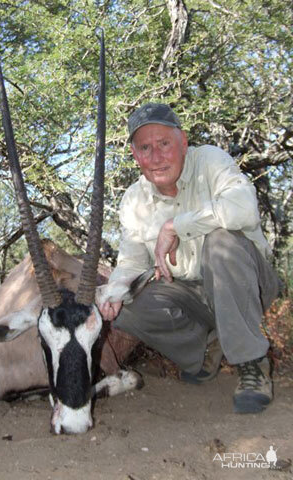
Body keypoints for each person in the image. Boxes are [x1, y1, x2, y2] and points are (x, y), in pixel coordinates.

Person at [97, 103, 280, 414]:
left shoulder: (209, 160)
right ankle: (207, 349)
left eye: (164, 144)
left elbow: (243, 207)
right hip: (192, 295)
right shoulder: (133, 199)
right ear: (135, 154)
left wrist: (177, 226)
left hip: (247, 282)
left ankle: (252, 364)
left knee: (222, 241)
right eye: (145, 147)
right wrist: (113, 292)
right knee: (128, 307)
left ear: (183, 142)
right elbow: (131, 262)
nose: (156, 157)